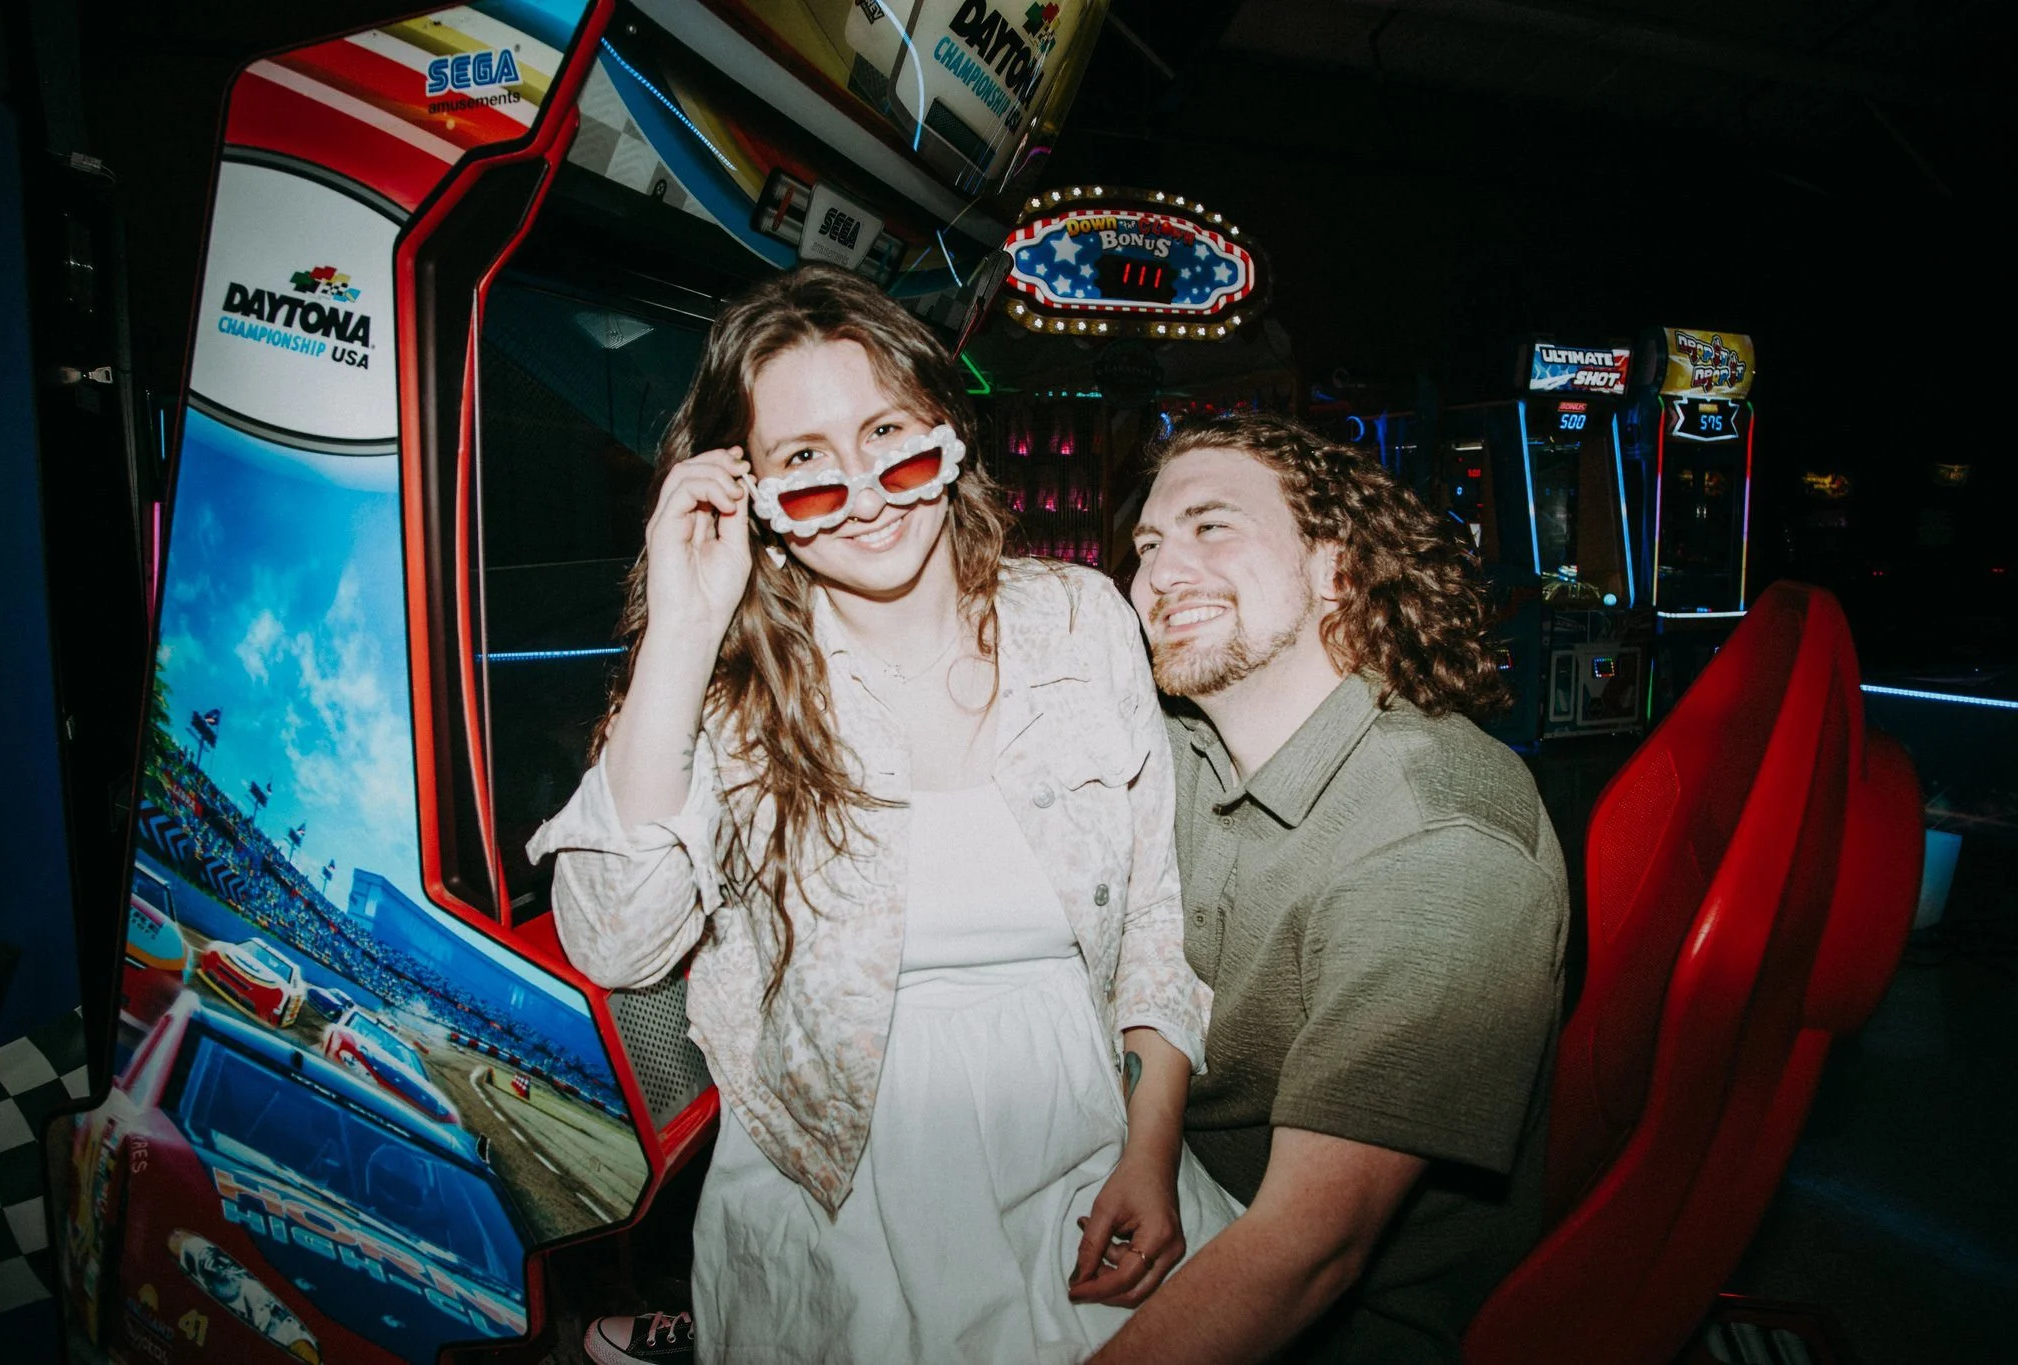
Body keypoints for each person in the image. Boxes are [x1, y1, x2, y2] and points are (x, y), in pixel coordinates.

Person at [527, 266, 1238, 1365]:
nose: (862, 493)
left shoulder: (1078, 622)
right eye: (803, 463)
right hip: (835, 1205)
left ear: (947, 434)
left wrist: (1150, 1149)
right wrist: (679, 626)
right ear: (746, 490)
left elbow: (1153, 918)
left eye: (889, 437)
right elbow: (617, 941)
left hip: (1086, 1154)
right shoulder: (724, 690)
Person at [1090, 412, 1569, 1364]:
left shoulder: (1438, 844)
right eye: (1147, 545)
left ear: (1335, 569)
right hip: (1177, 1174)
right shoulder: (1179, 743)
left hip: (1338, 1319)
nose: (1157, 573)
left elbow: (1305, 1255)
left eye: (1211, 525)